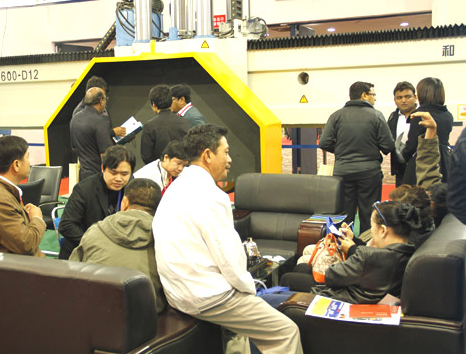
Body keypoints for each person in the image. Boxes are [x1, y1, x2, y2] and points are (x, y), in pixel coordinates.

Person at [153, 124, 302, 354]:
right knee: (285, 331)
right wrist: (250, 290)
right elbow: (230, 261)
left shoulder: (174, 189)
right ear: (208, 155)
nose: (230, 159)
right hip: (207, 296)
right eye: (226, 152)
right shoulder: (212, 196)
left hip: (177, 294)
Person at [69, 178, 166, 313]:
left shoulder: (95, 231)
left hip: (93, 311)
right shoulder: (166, 239)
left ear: (124, 203)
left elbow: (73, 273)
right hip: (146, 317)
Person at [319, 81, 395, 233]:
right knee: (369, 215)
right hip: (369, 173)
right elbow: (388, 146)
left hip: (343, 173)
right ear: (364, 95)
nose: (375, 98)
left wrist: (340, 150)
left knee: (344, 216)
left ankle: (344, 244)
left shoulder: (336, 116)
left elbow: (324, 142)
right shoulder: (376, 115)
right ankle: (367, 244)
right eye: (373, 95)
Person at [312, 201, 419, 304]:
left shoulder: (368, 256)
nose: (371, 231)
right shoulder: (411, 252)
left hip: (338, 301)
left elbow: (331, 276)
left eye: (372, 226)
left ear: (383, 230)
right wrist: (355, 243)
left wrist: (352, 250)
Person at [0, 135, 46, 257]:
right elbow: (26, 244)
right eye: (27, 158)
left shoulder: (0, 191)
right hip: (8, 266)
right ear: (16, 165)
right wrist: (37, 219)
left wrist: (23, 215)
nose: (30, 162)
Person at [58, 145, 135, 259]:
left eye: (124, 174)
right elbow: (66, 225)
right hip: (82, 252)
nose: (119, 179)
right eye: (113, 173)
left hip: (115, 251)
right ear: (103, 168)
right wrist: (96, 243)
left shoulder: (132, 188)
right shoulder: (84, 189)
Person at [400, 77, 453, 185]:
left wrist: (402, 158)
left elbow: (412, 145)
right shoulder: (448, 115)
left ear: (421, 94)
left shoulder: (420, 115)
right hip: (444, 161)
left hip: (423, 160)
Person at [70, 87, 114, 181]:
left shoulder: (75, 118)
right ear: (101, 101)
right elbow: (106, 154)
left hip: (83, 175)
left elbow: (74, 147)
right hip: (98, 176)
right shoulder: (100, 121)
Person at [140, 84, 190, 165]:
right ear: (171, 102)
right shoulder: (184, 122)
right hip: (181, 168)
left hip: (159, 169)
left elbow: (146, 156)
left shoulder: (149, 126)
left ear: (153, 104)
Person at [387, 81, 418, 186]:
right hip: (400, 168)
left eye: (407, 97)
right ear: (395, 100)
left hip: (419, 167)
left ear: (415, 97)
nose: (403, 100)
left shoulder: (422, 115)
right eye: (399, 98)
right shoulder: (392, 117)